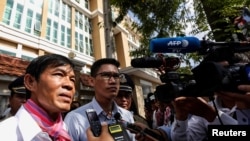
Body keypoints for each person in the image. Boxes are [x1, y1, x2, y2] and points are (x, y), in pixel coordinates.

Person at [0, 54, 76, 140]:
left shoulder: (65, 130)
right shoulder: (4, 134)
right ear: (30, 82)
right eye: (58, 74)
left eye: (72, 79)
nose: (69, 85)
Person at [170, 59, 250, 141]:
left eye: (225, 71)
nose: (221, 77)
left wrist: (213, 117)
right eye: (214, 74)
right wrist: (181, 118)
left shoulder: (206, 110)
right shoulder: (206, 107)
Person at [64, 58, 135, 141]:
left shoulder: (127, 115)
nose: (112, 81)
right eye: (106, 75)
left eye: (116, 76)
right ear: (92, 81)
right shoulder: (75, 118)